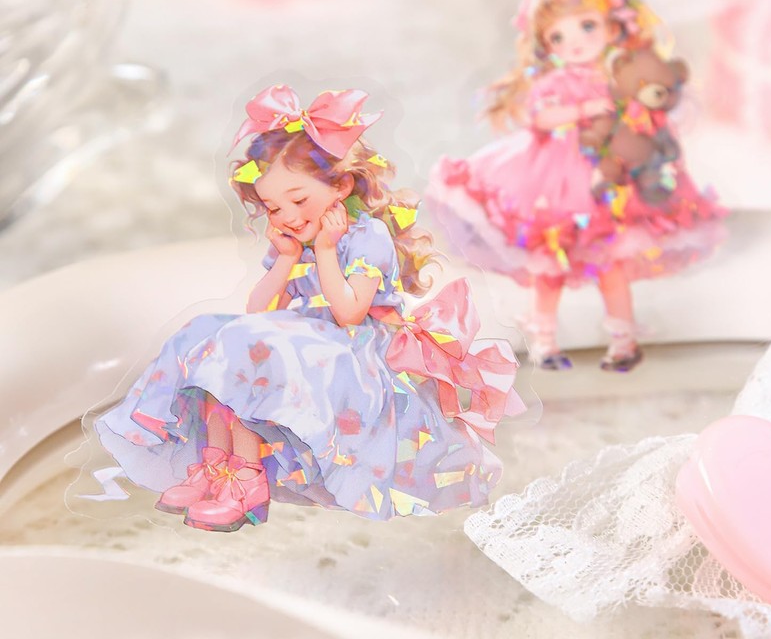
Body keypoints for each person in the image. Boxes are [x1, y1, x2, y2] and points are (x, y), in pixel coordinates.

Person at [94, 84, 524, 532]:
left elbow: (349, 313)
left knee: (245, 347)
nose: (288, 216)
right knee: (204, 333)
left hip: (355, 349)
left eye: (298, 200)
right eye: (273, 208)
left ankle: (247, 480)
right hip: (300, 338)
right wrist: (284, 258)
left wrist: (325, 250)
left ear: (341, 185)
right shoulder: (293, 241)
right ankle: (216, 466)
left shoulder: (365, 237)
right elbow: (259, 310)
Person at [427, 0, 725, 372]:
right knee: (549, 266)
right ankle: (544, 340)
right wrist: (583, 109)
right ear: (546, 45)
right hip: (554, 183)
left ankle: (623, 341)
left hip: (610, 184)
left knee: (612, 265)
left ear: (613, 27)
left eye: (587, 26)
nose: (574, 42)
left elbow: (644, 112)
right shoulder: (556, 83)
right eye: (558, 36)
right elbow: (541, 117)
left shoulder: (619, 78)